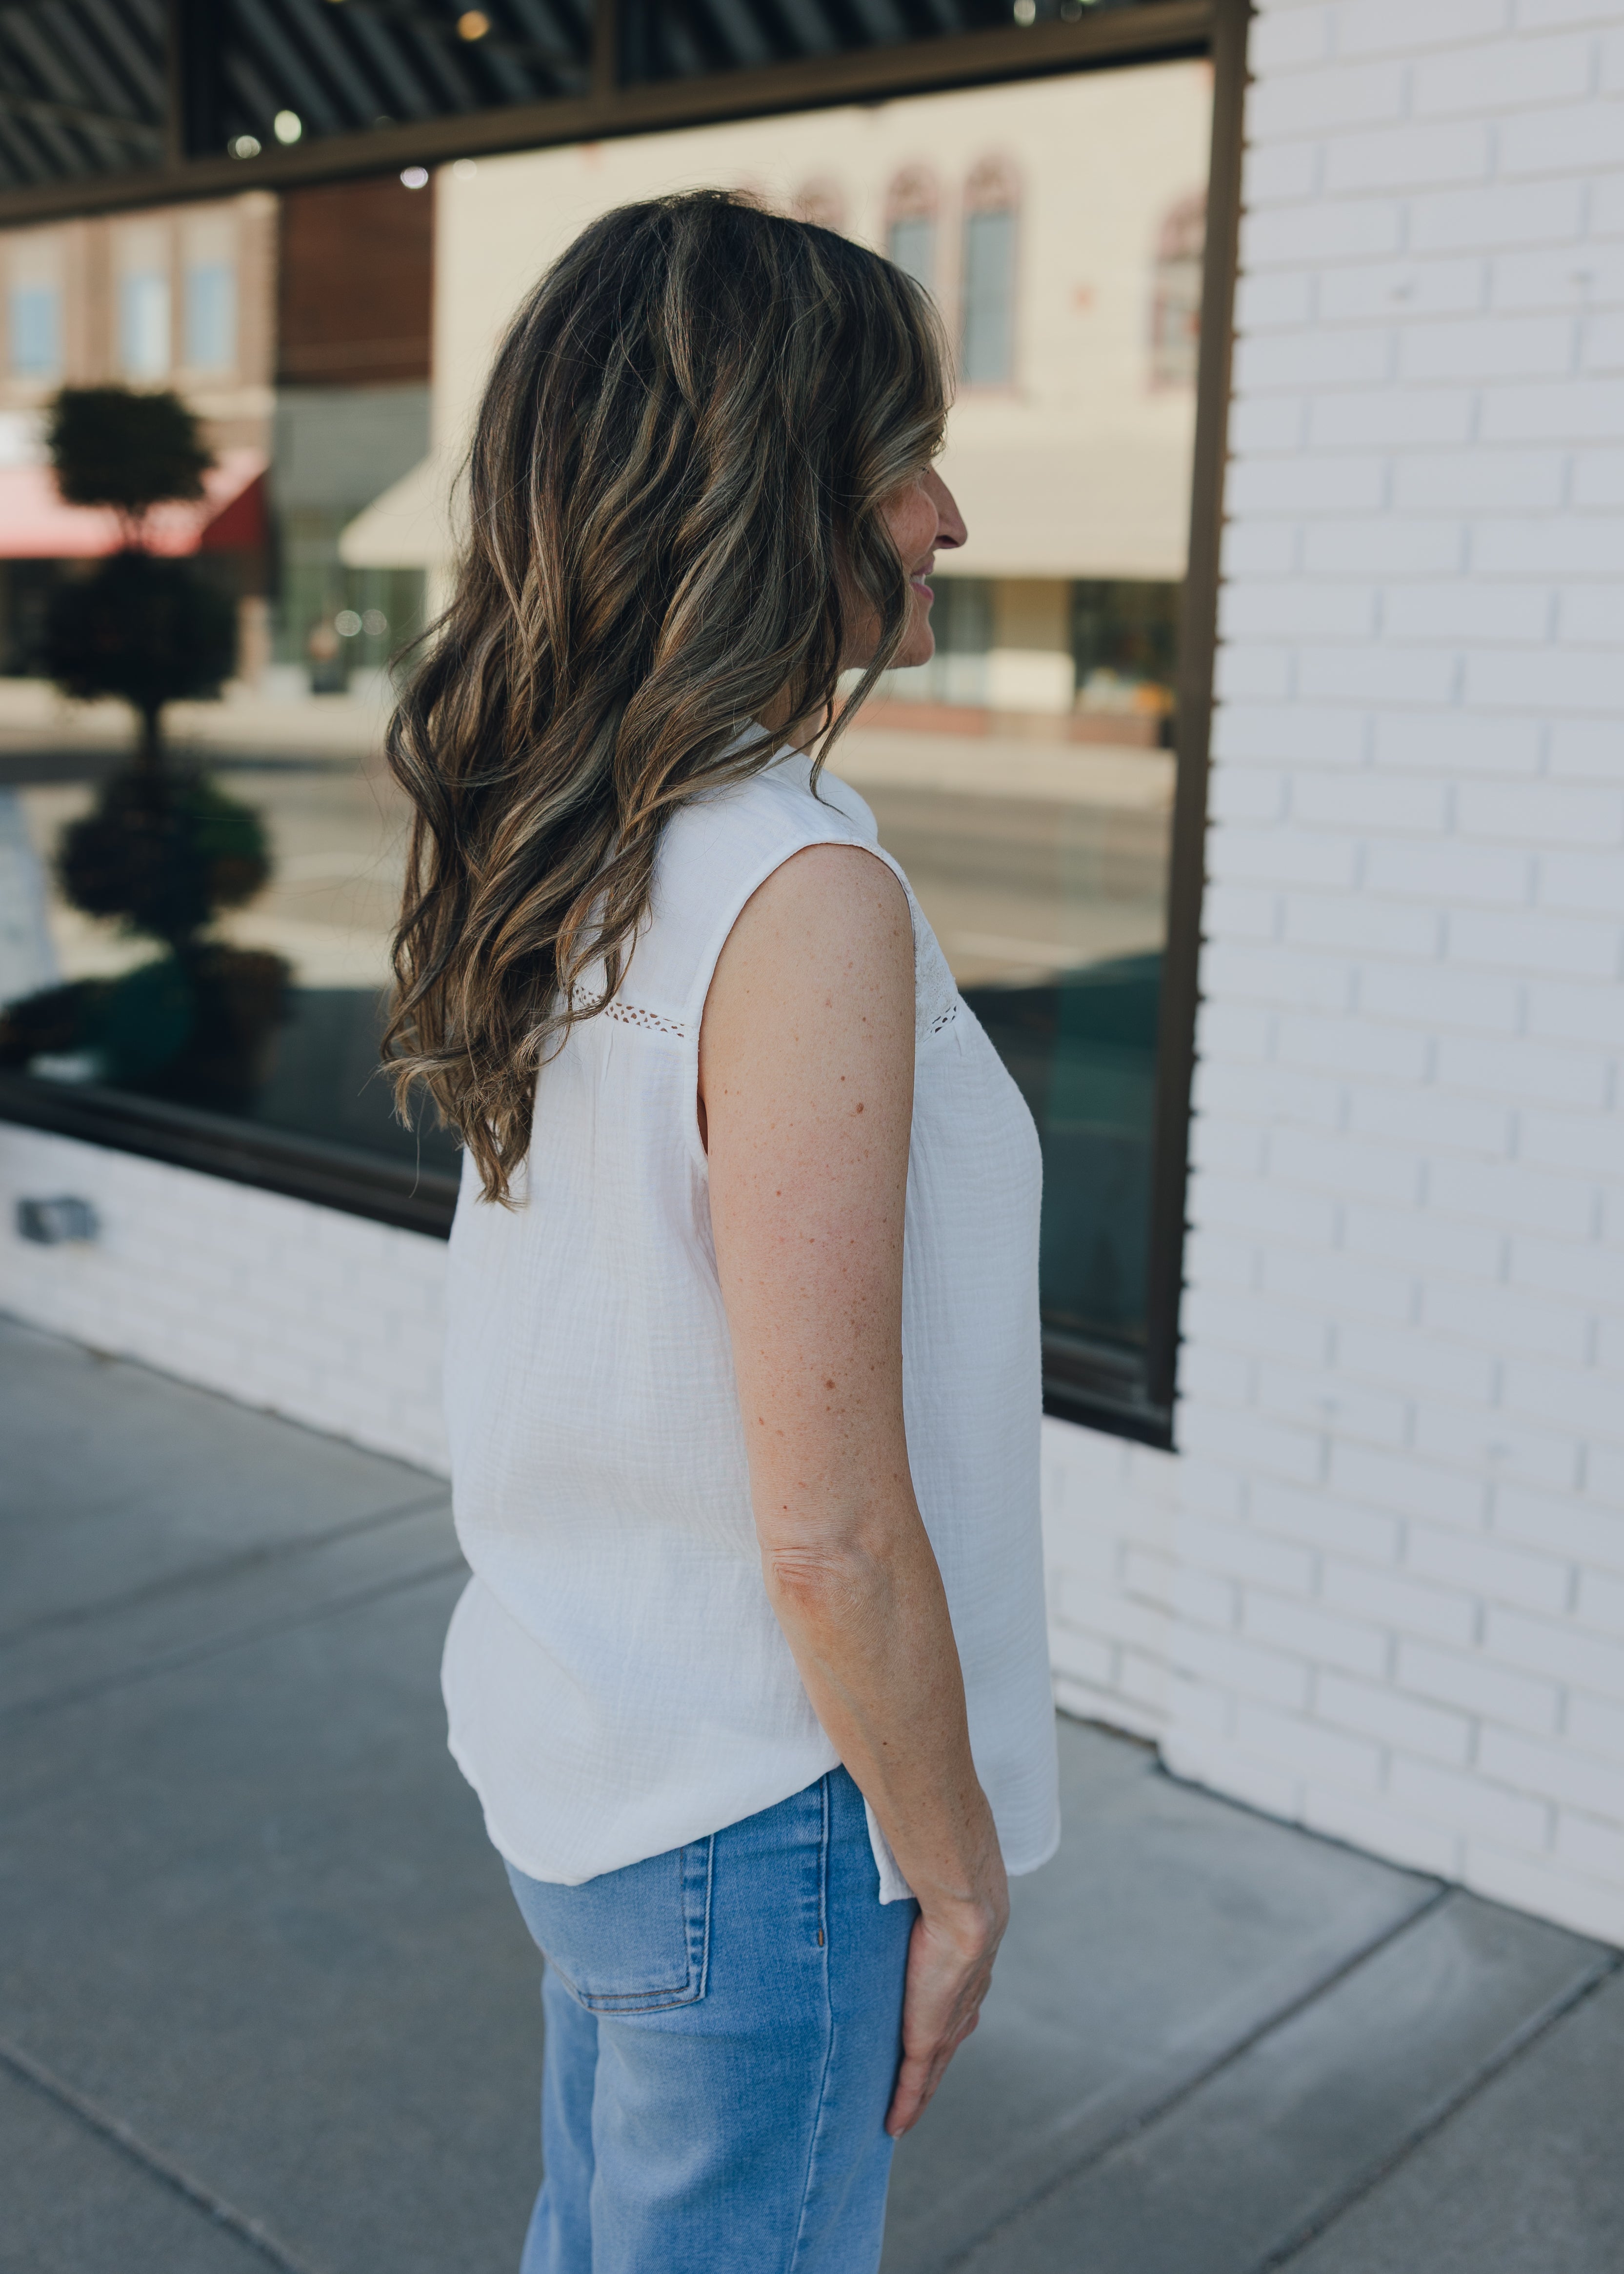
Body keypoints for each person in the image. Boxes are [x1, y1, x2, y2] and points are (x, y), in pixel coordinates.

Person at [383, 190, 1060, 2274]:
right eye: (898, 459)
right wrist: (948, 1868)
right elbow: (829, 1522)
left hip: (592, 1746)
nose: (942, 512)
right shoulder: (794, 889)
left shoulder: (578, 833)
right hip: (767, 1816)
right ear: (773, 494)